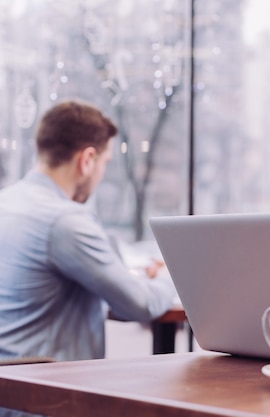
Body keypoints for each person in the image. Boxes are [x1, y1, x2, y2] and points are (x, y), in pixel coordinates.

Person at [0, 99, 176, 363]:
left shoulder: (7, 202)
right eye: (105, 162)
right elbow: (141, 305)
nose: (101, 173)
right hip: (45, 394)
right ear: (87, 159)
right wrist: (168, 275)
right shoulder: (64, 221)